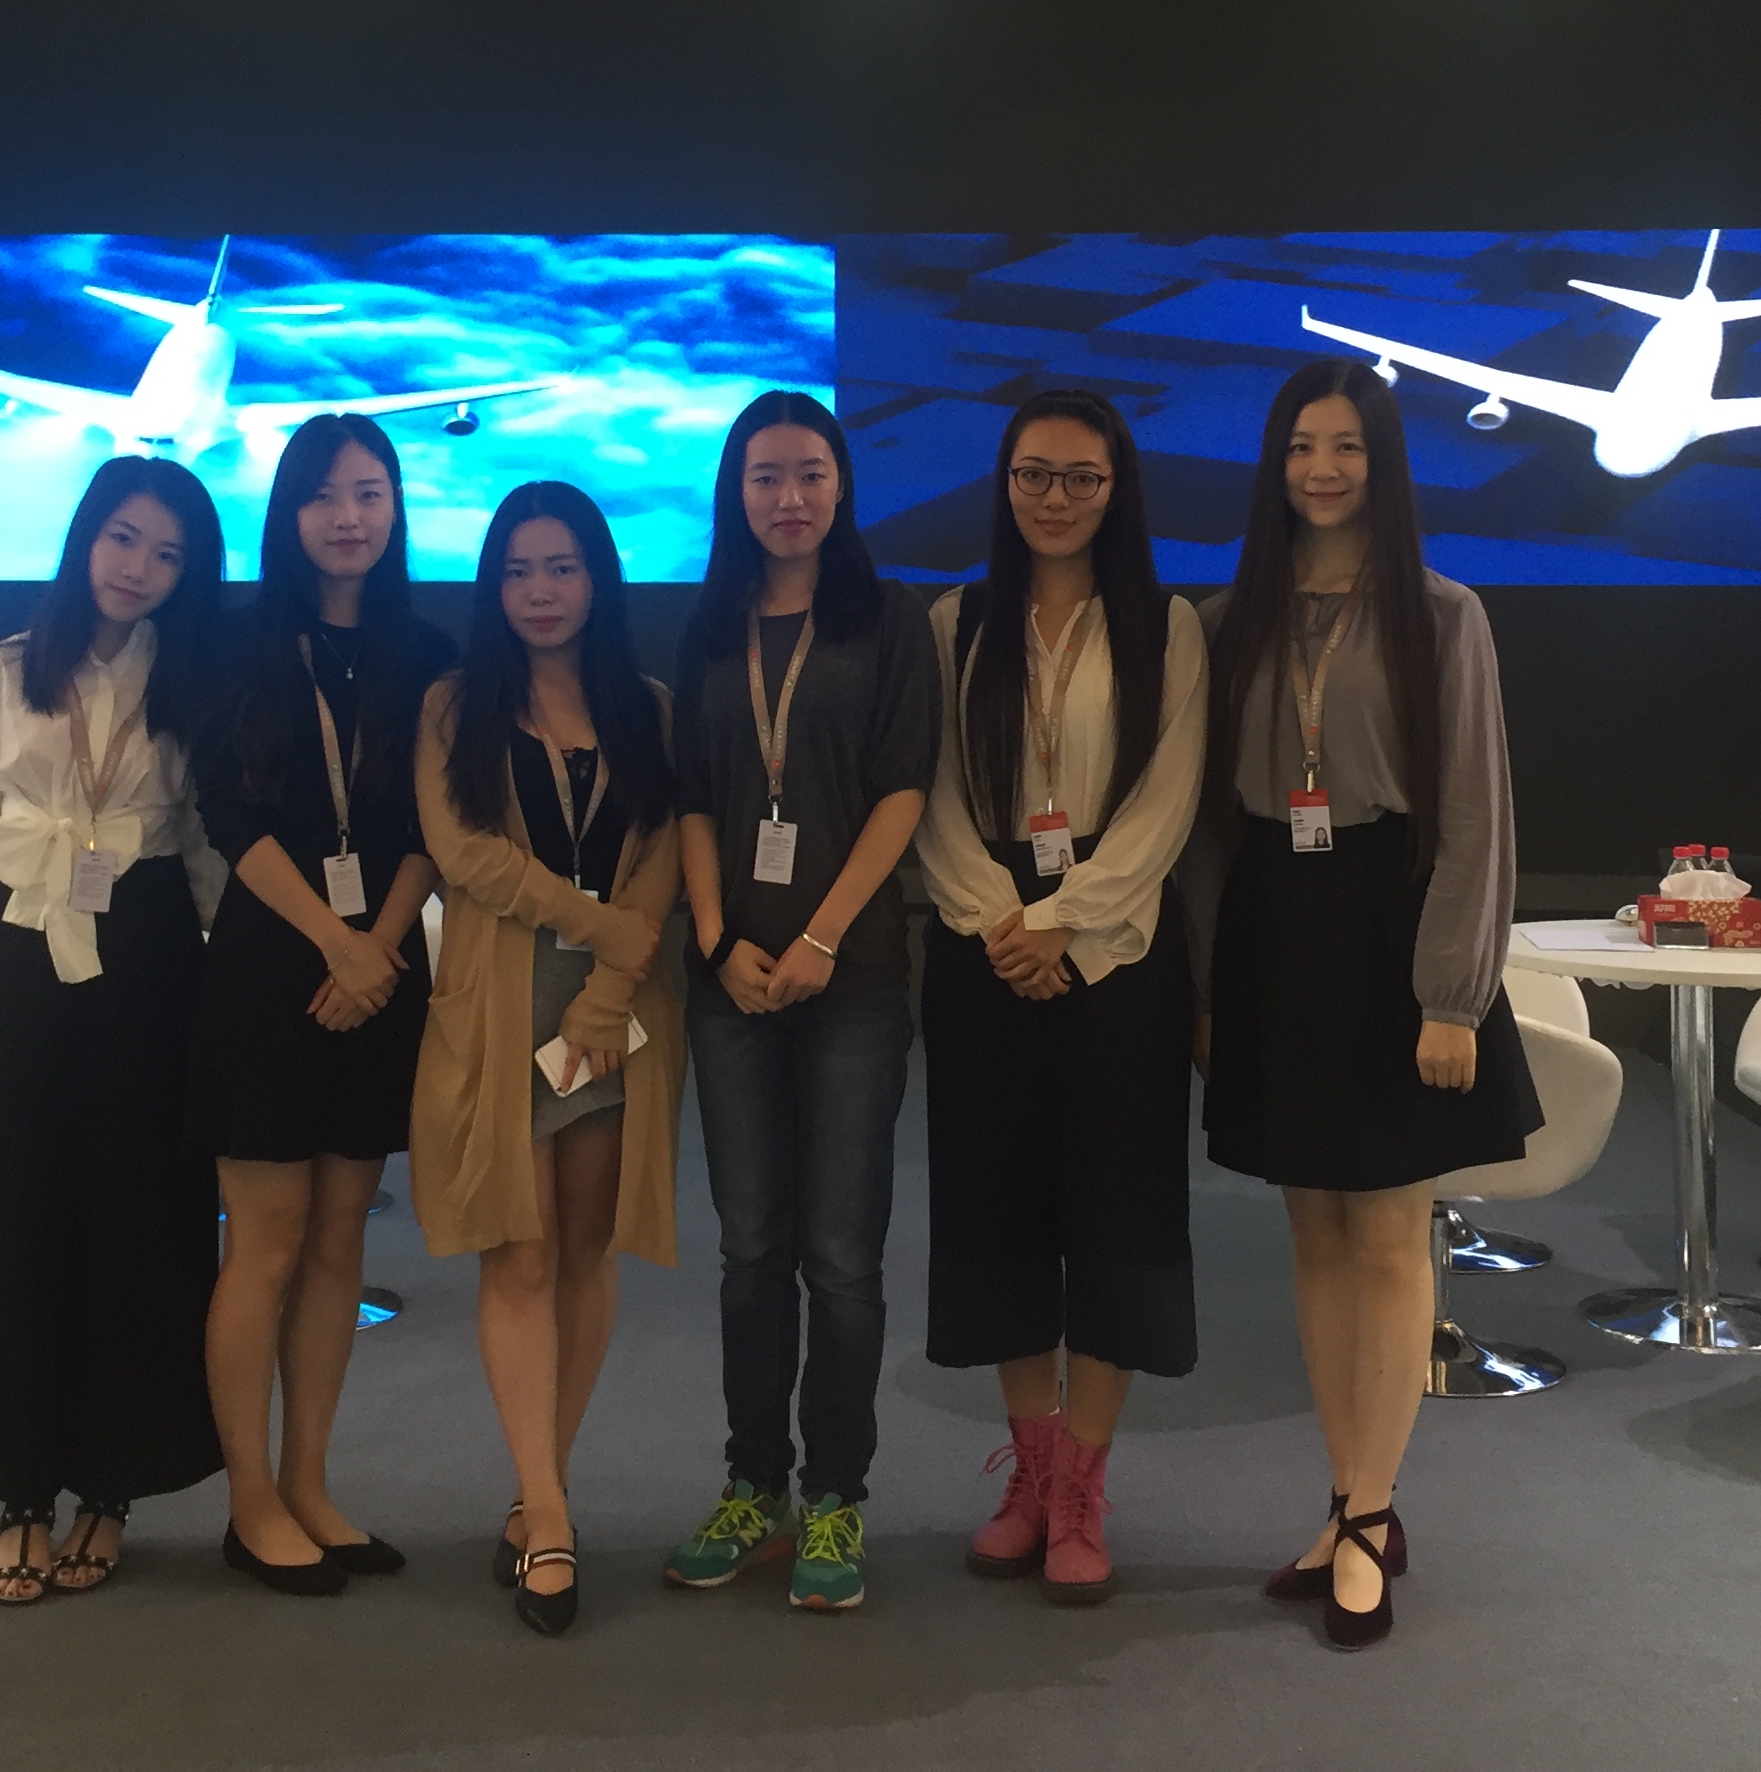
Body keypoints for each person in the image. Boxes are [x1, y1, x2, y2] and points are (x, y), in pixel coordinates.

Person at [1196, 360, 1539, 1651]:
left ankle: (1373, 1507)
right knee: (1316, 1234)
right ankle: (1348, 1499)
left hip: (1392, 928)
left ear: (1381, 464)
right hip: (1275, 925)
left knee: (1392, 1235)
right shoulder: (1231, 618)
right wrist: (1206, 983)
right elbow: (1210, 827)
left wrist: (1450, 996)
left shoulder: (1443, 616)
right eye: (1300, 446)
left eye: (1345, 446)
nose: (1322, 469)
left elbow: (1475, 817)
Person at [0, 456, 232, 1605]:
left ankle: (113, 1487)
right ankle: (20, 1492)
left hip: (149, 948)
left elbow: (203, 847)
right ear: (87, 537)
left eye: (168, 554)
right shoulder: (1, 672)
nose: (139, 568)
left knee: (139, 1215)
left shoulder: (192, 680)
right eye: (124, 539)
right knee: (10, 1210)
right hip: (21, 945)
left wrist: (225, 967)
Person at [913, 391, 1208, 1604]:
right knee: (999, 1212)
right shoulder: (956, 623)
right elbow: (932, 794)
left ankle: (1084, 1485)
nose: (1055, 498)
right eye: (1034, 474)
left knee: (1117, 1214)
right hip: (982, 946)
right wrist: (1003, 922)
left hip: (1118, 958)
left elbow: (1165, 805)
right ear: (1005, 482)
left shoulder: (1166, 626)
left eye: (1081, 478)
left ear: (1115, 488)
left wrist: (1065, 928)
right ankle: (1030, 1479)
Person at [662, 391, 940, 1613]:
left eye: (810, 473)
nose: (789, 498)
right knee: (750, 1250)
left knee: (840, 1257)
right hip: (729, 983)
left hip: (853, 980)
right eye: (766, 476)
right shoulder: (709, 625)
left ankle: (835, 1496)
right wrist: (716, 939)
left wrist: (821, 937)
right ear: (737, 491)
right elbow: (689, 796)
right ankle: (752, 1484)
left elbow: (903, 789)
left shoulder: (887, 620)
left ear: (842, 485)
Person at [412, 482, 686, 1637]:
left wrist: (612, 984)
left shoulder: (649, 708)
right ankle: (552, 1510)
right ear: (494, 585)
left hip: (615, 1018)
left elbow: (667, 855)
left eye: (561, 567)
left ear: (596, 579)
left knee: (582, 1249)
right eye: (518, 570)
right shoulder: (454, 705)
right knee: (516, 1253)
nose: (540, 591)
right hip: (499, 1006)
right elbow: (463, 852)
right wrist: (595, 922)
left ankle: (540, 1494)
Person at [191, 414, 452, 1596]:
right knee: (268, 1239)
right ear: (288, 511)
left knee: (344, 1235)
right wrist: (335, 943)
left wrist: (378, 948)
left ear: (395, 507)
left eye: (370, 492)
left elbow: (435, 824)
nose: (349, 516)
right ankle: (250, 1501)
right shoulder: (236, 644)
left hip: (382, 971)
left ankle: (309, 1483)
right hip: (269, 967)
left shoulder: (429, 653)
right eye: (324, 495)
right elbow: (229, 817)